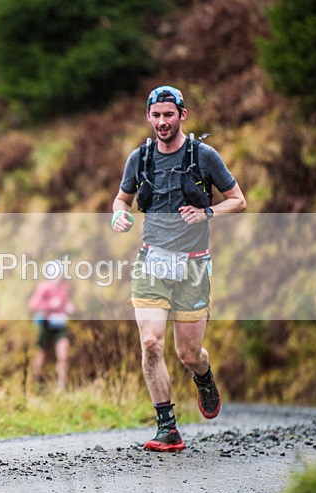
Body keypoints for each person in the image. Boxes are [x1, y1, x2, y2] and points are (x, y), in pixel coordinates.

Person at [111, 85, 246, 452]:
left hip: (193, 266)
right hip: (152, 261)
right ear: (148, 117)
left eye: (168, 115)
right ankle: (167, 426)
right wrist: (119, 216)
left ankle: (203, 376)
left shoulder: (204, 156)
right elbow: (121, 199)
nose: (162, 122)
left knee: (189, 354)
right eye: (155, 115)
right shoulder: (139, 158)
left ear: (182, 115)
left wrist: (206, 212)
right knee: (151, 342)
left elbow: (238, 200)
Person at [28, 260, 73, 391]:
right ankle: (36, 384)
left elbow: (64, 303)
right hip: (46, 325)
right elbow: (33, 305)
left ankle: (61, 387)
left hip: (60, 326)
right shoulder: (44, 287)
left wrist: (68, 307)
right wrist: (49, 305)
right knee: (42, 355)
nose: (59, 275)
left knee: (64, 354)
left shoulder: (64, 286)